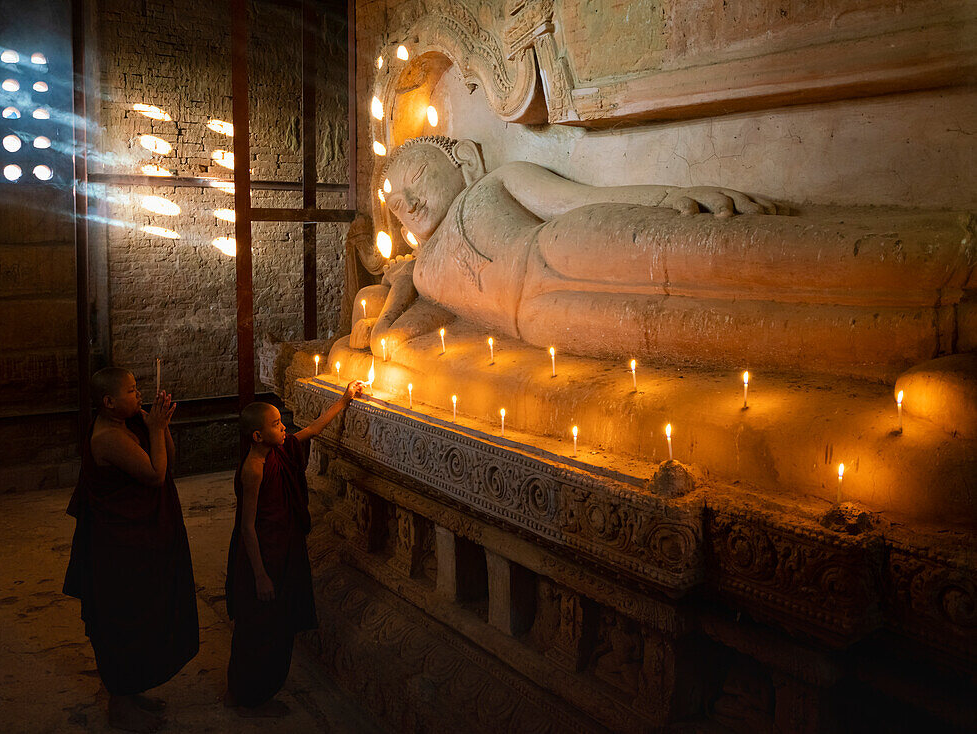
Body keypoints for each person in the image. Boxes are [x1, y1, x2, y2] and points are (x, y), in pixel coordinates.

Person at [358, 135, 972, 379]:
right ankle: (935, 329)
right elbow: (395, 318)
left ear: (458, 161)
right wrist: (381, 319)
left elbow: (586, 199)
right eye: (398, 198)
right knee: (719, 329)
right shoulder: (424, 269)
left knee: (726, 259)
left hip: (566, 245)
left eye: (415, 172)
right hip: (546, 323)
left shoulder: (491, 187)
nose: (408, 198)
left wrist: (675, 194)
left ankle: (946, 260)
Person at [63, 367, 199, 733]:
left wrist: (160, 425)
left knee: (148, 612)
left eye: (138, 389)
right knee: (124, 619)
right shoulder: (107, 436)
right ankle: (120, 704)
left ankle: (132, 690)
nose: (139, 396)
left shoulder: (130, 422)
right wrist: (154, 429)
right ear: (108, 402)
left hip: (142, 539)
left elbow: (168, 463)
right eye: (131, 391)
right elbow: (154, 474)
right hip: (119, 548)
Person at [226, 381, 364, 715]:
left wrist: (344, 399)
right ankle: (249, 696)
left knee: (280, 624)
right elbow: (247, 525)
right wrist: (260, 575)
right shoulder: (254, 469)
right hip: (264, 555)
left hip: (285, 548)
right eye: (276, 424)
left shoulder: (282, 449)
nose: (283, 427)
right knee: (260, 628)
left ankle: (262, 691)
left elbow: (314, 428)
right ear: (257, 436)